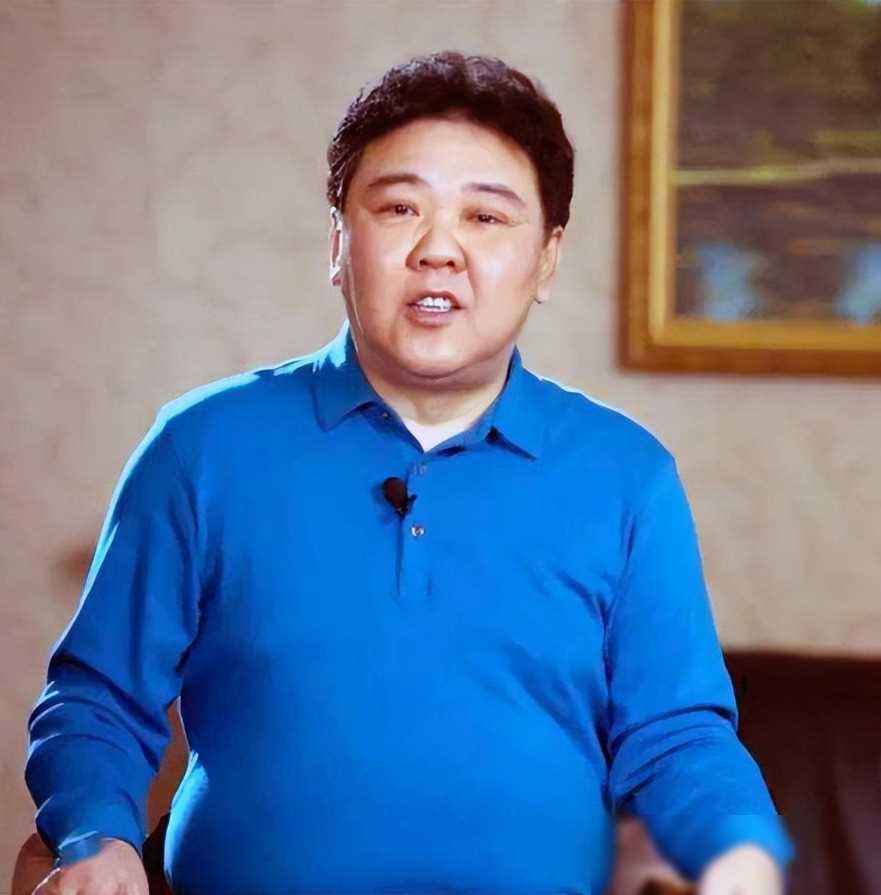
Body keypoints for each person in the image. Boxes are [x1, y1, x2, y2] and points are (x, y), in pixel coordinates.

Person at [24, 51, 794, 895]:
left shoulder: (625, 475)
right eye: (398, 208)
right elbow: (97, 699)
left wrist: (739, 854)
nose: (438, 251)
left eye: (485, 217)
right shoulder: (201, 446)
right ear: (338, 242)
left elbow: (677, 736)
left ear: (546, 259)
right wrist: (96, 835)